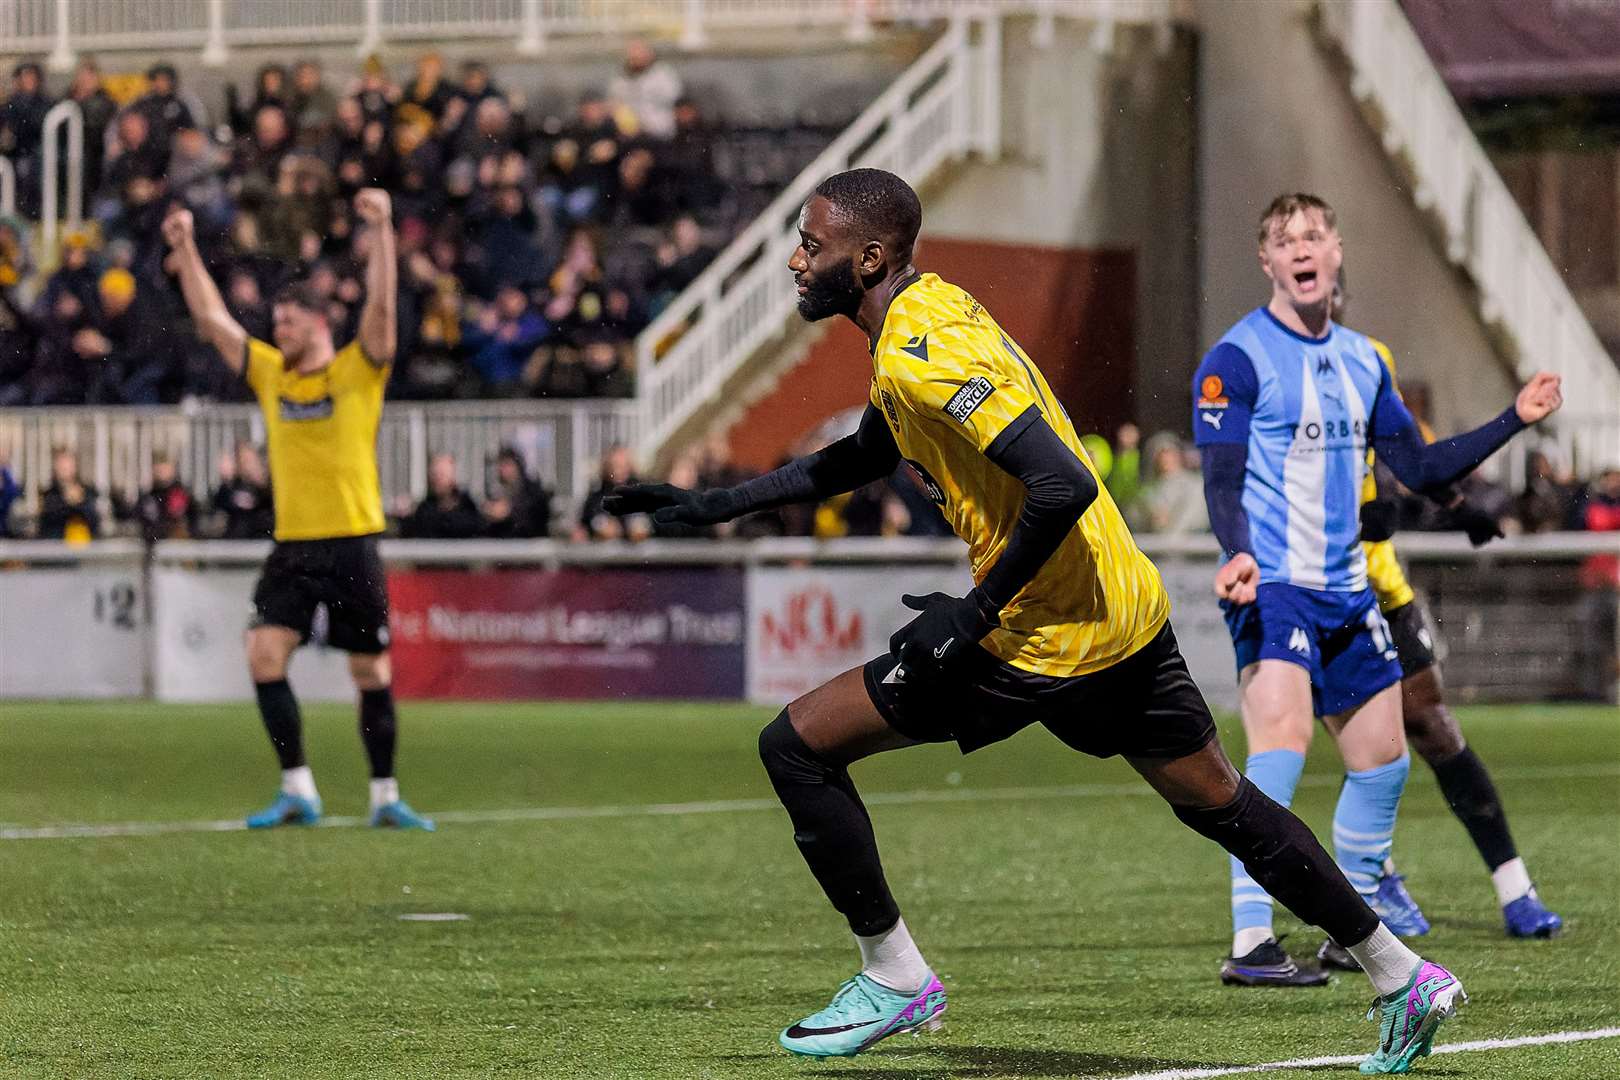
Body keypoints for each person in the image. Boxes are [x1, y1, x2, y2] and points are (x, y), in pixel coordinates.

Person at [607, 169, 1466, 1072]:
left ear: (868, 258)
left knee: (796, 747)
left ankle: (895, 976)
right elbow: (868, 449)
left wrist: (969, 619)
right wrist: (716, 504)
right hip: (1120, 609)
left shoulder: (919, 347)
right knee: (1224, 803)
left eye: (811, 246)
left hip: (1040, 633)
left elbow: (1063, 480)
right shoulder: (927, 310)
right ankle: (1402, 975)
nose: (795, 259)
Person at [1192, 192, 1562, 988]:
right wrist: (1240, 553)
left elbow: (1422, 469)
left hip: (1350, 591)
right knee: (1281, 742)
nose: (1302, 249)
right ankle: (1252, 940)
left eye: (1315, 236)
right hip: (1276, 584)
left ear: (1336, 251)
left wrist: (1514, 418)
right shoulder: (1235, 359)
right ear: (1267, 262)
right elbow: (1221, 480)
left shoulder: (1363, 359)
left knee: (1384, 759)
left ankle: (1345, 929)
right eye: (1285, 240)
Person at [162, 190, 434, 832]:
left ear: (319, 324)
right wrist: (185, 247)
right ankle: (298, 790)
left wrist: (384, 231)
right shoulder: (271, 376)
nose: (275, 331)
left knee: (370, 670)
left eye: (287, 322)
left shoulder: (357, 370)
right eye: (275, 322)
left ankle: (385, 795)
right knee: (262, 654)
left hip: (353, 540)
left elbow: (384, 307)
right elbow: (213, 320)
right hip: (294, 545)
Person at [399, 453, 484, 539]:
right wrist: (404, 518)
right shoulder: (425, 508)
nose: (437, 479)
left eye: (442, 475)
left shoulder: (468, 507)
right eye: (434, 474)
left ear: (453, 476)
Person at [37, 446, 100, 542]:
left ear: (75, 465)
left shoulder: (88, 492)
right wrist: (70, 501)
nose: (64, 467)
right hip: (57, 551)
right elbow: (51, 517)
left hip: (85, 551)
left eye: (67, 463)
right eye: (60, 463)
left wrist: (80, 501)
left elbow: (93, 519)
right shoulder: (48, 495)